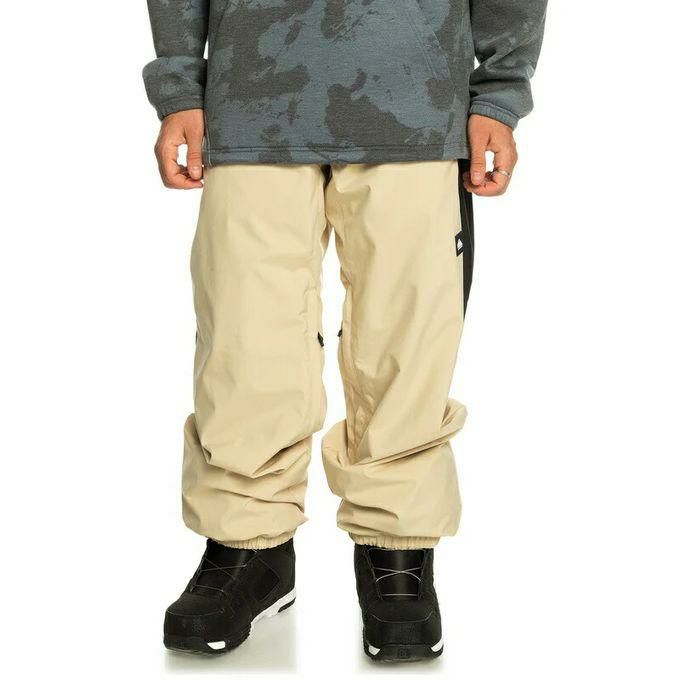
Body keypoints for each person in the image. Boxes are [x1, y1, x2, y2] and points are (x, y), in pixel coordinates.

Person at [144, 0, 546, 662]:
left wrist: (500, 94)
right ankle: (249, 547)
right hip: (253, 93)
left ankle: (398, 550)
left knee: (405, 339)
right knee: (245, 335)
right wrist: (180, 85)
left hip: (416, 95)